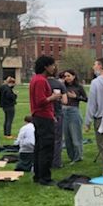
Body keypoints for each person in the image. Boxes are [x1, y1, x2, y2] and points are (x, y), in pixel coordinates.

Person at [29, 56, 62, 186]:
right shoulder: (41, 81)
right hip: (43, 117)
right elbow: (40, 101)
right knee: (46, 148)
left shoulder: (36, 80)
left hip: (40, 116)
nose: (54, 68)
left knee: (39, 147)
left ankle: (38, 175)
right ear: (45, 67)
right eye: (52, 65)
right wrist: (53, 97)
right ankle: (45, 177)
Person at [62, 69, 88, 164]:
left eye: (68, 76)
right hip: (64, 111)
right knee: (67, 137)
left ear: (73, 76)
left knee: (75, 136)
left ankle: (78, 156)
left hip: (73, 111)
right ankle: (72, 157)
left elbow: (86, 99)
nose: (67, 78)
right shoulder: (63, 86)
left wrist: (75, 97)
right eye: (65, 76)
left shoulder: (78, 87)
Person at [48, 72, 68, 168]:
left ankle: (45, 161)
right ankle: (56, 162)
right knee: (57, 140)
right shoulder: (59, 84)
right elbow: (65, 101)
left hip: (44, 114)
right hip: (57, 113)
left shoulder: (41, 82)